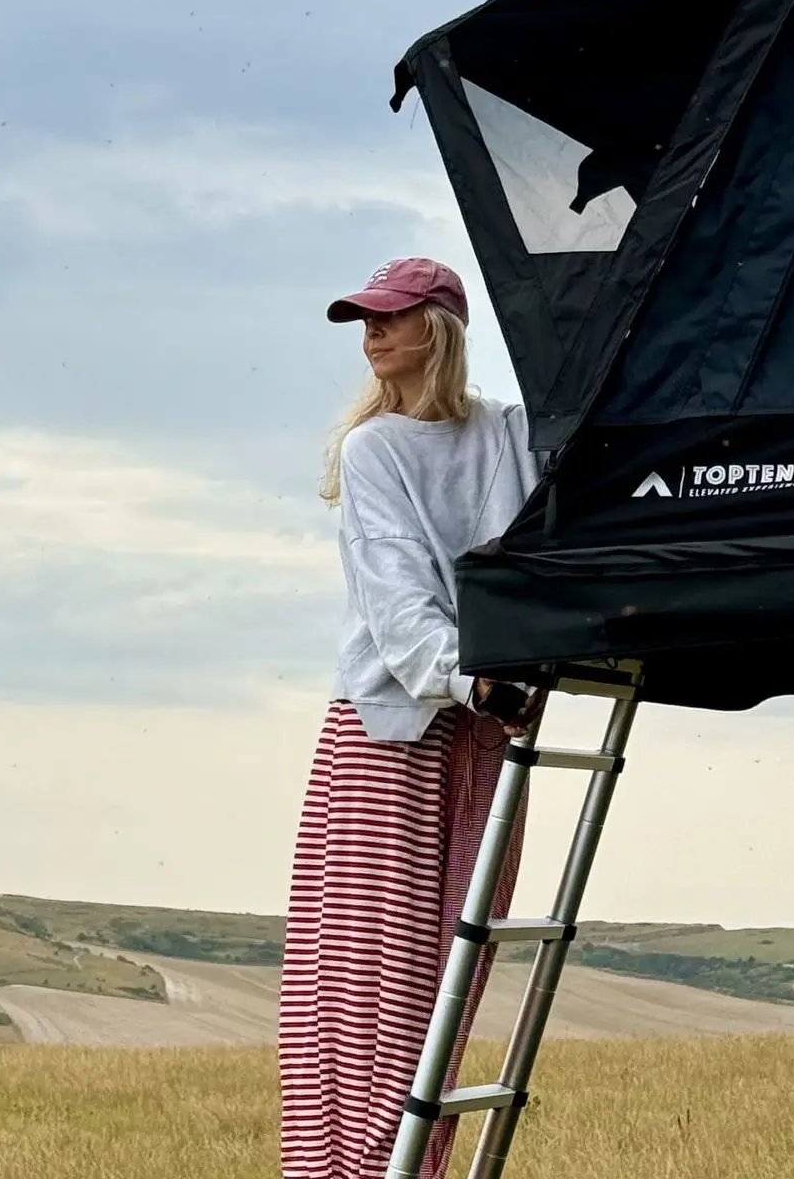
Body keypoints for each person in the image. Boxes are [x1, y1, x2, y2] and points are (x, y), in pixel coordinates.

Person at [277, 257, 544, 1179]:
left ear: (440, 326)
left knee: (447, 985)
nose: (372, 335)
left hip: (487, 727)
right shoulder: (374, 447)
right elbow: (395, 595)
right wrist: (471, 679)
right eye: (365, 321)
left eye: (390, 317)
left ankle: (415, 1168)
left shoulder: (508, 433)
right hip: (389, 732)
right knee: (363, 989)